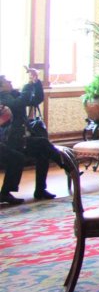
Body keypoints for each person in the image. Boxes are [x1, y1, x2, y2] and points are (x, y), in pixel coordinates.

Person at [0, 73, 60, 205]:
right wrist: (28, 85)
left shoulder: (13, 94)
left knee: (42, 152)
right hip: (11, 140)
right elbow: (21, 103)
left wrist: (36, 82)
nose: (10, 81)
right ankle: (68, 166)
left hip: (22, 138)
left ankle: (40, 189)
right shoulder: (2, 98)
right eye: (6, 81)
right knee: (42, 144)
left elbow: (36, 99)